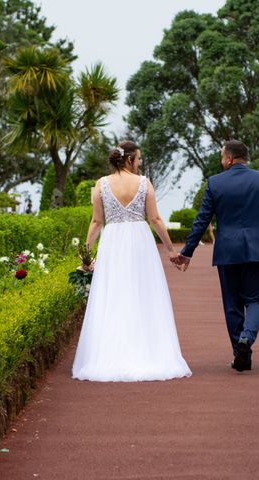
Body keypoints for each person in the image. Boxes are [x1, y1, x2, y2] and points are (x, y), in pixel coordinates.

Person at [72, 140, 191, 382]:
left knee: (113, 294)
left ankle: (110, 354)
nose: (139, 163)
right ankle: (148, 352)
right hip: (140, 241)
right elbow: (155, 218)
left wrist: (86, 254)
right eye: (138, 159)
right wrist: (170, 249)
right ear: (129, 160)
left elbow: (96, 222)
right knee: (144, 293)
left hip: (112, 240)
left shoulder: (101, 185)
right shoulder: (144, 183)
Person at [173, 140, 259, 372]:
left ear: (230, 159)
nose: (221, 160)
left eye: (222, 156)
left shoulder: (215, 183)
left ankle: (239, 353)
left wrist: (187, 252)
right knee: (255, 300)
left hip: (228, 251)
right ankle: (247, 338)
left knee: (232, 304)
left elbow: (202, 220)